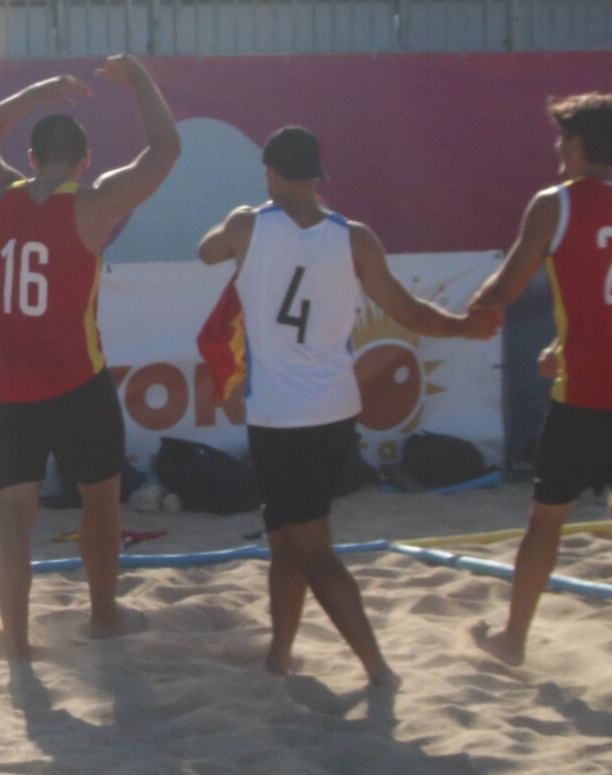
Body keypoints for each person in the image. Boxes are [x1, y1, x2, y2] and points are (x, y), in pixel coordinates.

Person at [195, 127, 491, 684]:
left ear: (270, 173)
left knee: (313, 551)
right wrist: (464, 327)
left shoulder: (247, 225)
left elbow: (207, 250)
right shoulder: (355, 238)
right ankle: (278, 657)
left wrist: (243, 219)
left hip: (282, 416)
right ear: (318, 176)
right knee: (286, 540)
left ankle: (377, 668)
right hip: (336, 409)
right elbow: (409, 312)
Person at [465, 95, 612, 664]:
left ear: (577, 145)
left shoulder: (557, 203)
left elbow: (508, 281)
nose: (555, 149)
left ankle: (513, 639)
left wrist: (473, 313)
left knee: (547, 518)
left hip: (592, 392)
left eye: (561, 139)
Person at [0, 57, 181, 662]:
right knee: (100, 502)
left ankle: (17, 642)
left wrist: (33, 91)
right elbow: (165, 150)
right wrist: (139, 80)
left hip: (9, 386)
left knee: (13, 516)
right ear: (83, 161)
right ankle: (104, 616)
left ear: (31, 159)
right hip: (77, 382)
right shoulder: (94, 202)